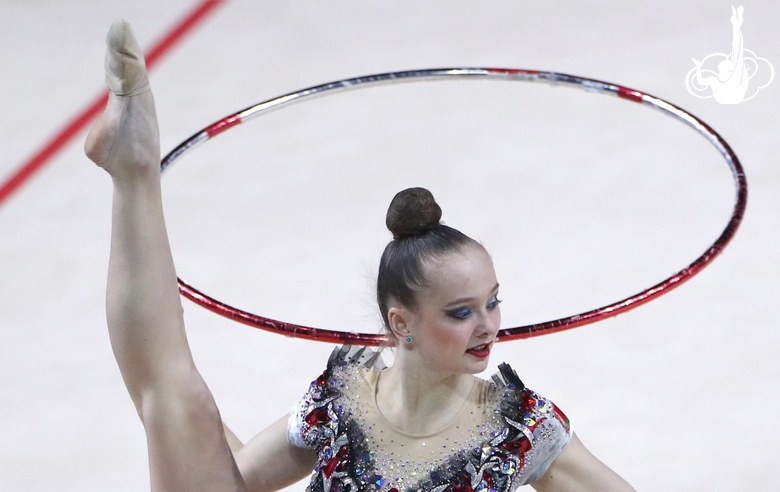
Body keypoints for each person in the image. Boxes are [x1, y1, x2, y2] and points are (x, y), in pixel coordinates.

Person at [85, 20, 635, 492]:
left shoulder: (518, 427)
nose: (489, 326)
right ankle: (134, 169)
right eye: (461, 311)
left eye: (492, 303)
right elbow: (232, 483)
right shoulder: (343, 399)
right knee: (183, 408)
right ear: (402, 323)